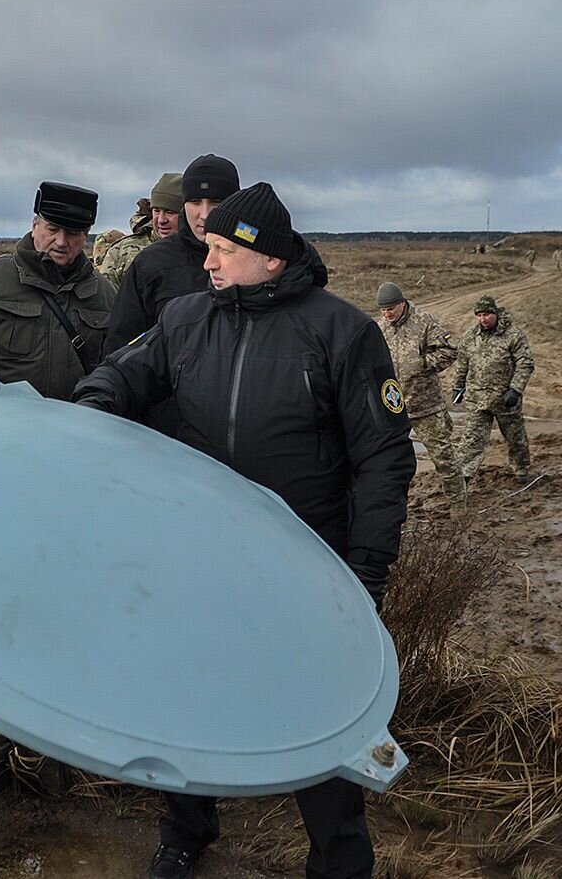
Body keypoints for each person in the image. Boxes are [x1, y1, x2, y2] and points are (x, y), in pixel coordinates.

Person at [74, 183, 414, 879]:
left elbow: (385, 459)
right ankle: (186, 829)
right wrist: (90, 409)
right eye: (208, 247)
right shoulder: (184, 318)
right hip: (200, 551)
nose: (208, 261)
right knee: (190, 692)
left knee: (320, 713)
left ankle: (339, 860)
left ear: (271, 259)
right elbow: (122, 375)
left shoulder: (342, 331)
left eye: (225, 250)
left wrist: (365, 572)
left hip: (307, 562)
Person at [0, 181, 115, 401]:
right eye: (52, 229)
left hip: (75, 419)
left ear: (85, 236)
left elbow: (113, 373)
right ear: (35, 226)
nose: (61, 241)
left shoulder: (104, 293)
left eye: (72, 233)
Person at [102, 155, 241, 354]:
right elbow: (121, 347)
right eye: (195, 202)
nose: (204, 214)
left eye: (215, 202)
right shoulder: (150, 263)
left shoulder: (259, 259)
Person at [375, 282, 467, 519]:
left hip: (426, 406)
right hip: (394, 407)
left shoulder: (424, 321)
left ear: (402, 303)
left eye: (390, 309)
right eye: (383, 310)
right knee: (392, 461)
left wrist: (423, 364)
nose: (387, 314)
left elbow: (450, 351)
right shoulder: (380, 327)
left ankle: (458, 504)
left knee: (443, 457)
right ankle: (394, 506)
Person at [454, 295, 535, 485]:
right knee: (472, 439)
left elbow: (525, 363)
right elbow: (463, 363)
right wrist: (458, 386)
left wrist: (515, 389)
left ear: (496, 313)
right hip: (477, 398)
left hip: (505, 398)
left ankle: (521, 468)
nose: (483, 319)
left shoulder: (513, 335)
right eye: (479, 315)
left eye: (487, 314)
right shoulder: (470, 336)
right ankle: (463, 476)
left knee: (515, 437)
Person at [100, 173, 184, 288]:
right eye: (156, 211)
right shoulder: (122, 251)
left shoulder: (204, 250)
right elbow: (106, 296)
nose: (161, 220)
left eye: (170, 212)